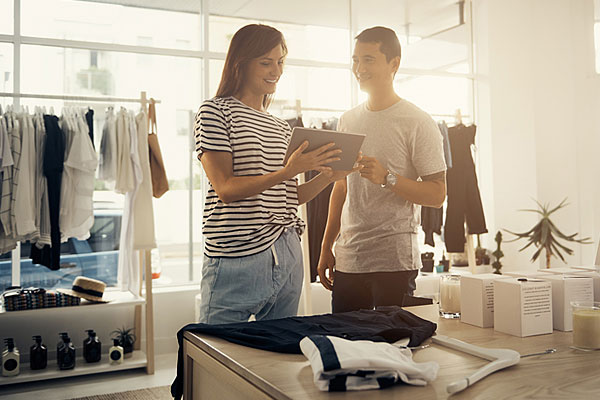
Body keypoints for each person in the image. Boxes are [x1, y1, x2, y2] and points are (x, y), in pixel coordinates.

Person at [195, 24, 356, 324]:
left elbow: (289, 197)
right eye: (265, 62)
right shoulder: (215, 112)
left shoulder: (282, 128)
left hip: (286, 250)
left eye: (280, 61)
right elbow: (226, 189)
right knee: (213, 360)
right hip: (235, 258)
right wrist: (287, 171)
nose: (276, 71)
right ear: (240, 64)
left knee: (276, 360)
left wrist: (328, 177)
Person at [317, 26, 447, 313]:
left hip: (394, 263)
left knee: (392, 350)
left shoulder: (418, 121)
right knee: (346, 350)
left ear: (394, 64)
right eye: (355, 60)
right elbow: (341, 187)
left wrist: (387, 178)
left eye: (369, 59)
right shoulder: (348, 119)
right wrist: (327, 245)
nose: (359, 68)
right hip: (349, 259)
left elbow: (438, 194)